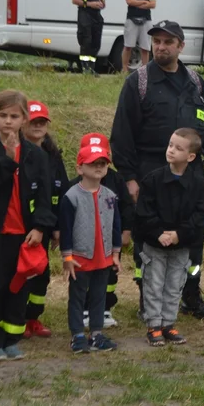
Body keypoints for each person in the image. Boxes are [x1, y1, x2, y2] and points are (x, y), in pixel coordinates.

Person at [110, 20, 204, 319]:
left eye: (167, 42)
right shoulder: (139, 82)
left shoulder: (197, 84)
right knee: (149, 238)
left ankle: (190, 294)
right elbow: (122, 135)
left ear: (180, 46)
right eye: (156, 41)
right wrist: (130, 178)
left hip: (191, 176)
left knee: (192, 235)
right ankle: (150, 298)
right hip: (151, 173)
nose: (160, 47)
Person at [0, 91, 55, 362]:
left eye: (14, 116)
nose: (8, 121)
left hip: (25, 236)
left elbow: (45, 197)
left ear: (24, 119)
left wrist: (40, 227)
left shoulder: (36, 155)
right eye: (3, 115)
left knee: (17, 290)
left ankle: (11, 338)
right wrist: (7, 159)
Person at [134, 129, 204, 346]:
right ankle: (154, 325)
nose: (171, 150)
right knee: (153, 284)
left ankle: (168, 324)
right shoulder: (152, 180)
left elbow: (199, 217)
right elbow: (143, 213)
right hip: (155, 246)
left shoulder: (198, 185)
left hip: (181, 247)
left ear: (191, 156)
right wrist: (159, 234)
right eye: (170, 145)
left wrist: (179, 235)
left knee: (174, 285)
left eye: (178, 148)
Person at [60, 142, 121, 354]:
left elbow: (115, 226)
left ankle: (96, 334)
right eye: (93, 163)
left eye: (103, 164)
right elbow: (65, 229)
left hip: (103, 258)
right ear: (79, 168)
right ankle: (77, 335)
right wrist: (67, 257)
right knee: (77, 297)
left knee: (99, 297)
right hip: (79, 258)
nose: (98, 167)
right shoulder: (70, 197)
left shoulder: (111, 196)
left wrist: (115, 254)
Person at [71, 133, 134, 326]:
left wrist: (126, 231)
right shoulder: (74, 186)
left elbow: (127, 207)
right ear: (80, 162)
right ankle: (83, 310)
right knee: (83, 276)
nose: (97, 165)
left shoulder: (116, 181)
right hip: (84, 242)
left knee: (109, 275)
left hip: (110, 241)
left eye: (102, 160)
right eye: (92, 160)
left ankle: (104, 308)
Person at [22, 100, 66, 339]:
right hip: (21, 225)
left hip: (46, 225)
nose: (37, 126)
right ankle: (15, 318)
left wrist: (58, 227)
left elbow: (61, 192)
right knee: (20, 274)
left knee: (41, 274)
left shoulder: (53, 155)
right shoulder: (17, 152)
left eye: (42, 122)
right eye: (33, 121)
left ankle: (33, 318)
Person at [71, 0, 105, 74]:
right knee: (86, 42)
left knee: (96, 43)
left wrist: (101, 4)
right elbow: (74, 0)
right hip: (85, 14)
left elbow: (103, 3)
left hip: (97, 16)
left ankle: (91, 68)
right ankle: (85, 68)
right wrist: (90, 4)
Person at [122, 0, 157, 72]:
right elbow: (129, 1)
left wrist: (135, 2)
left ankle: (145, 70)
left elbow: (153, 4)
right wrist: (144, 1)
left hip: (146, 20)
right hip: (131, 19)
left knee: (145, 47)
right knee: (128, 46)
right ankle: (124, 69)